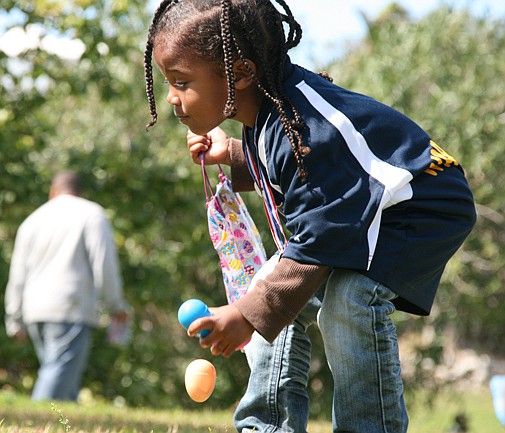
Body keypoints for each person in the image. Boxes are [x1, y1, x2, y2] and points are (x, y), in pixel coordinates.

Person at [143, 1, 476, 432]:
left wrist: (245, 315)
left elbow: (321, 225)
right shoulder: (268, 111)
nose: (171, 97)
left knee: (346, 301)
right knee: (269, 292)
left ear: (242, 73)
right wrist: (235, 154)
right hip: (365, 206)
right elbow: (314, 176)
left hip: (421, 204)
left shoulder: (301, 125)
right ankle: (265, 426)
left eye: (181, 82)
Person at [4, 170, 130, 402]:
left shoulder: (32, 220)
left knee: (62, 379)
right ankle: (35, 424)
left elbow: (17, 274)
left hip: (34, 311)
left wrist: (14, 317)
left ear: (53, 191)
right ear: (79, 192)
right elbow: (104, 265)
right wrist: (116, 306)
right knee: (55, 380)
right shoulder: (91, 214)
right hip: (70, 309)